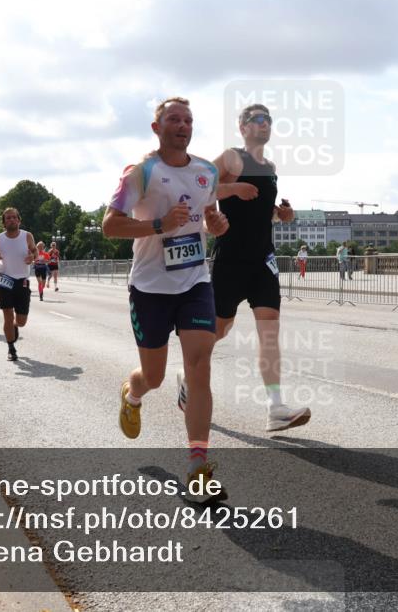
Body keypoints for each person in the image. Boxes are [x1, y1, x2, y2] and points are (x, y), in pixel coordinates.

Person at [102, 96, 230, 501]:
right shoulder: (142, 172)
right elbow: (109, 226)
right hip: (150, 288)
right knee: (153, 376)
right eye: (173, 119)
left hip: (195, 282)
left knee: (199, 363)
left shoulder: (206, 172)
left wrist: (218, 224)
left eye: (188, 119)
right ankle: (133, 393)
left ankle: (198, 467)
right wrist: (158, 224)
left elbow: (211, 218)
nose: (182, 124)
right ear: (157, 128)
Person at [180, 103, 309, 433]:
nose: (265, 124)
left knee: (269, 333)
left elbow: (261, 211)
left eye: (269, 120)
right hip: (230, 259)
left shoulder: (270, 165)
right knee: (219, 330)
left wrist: (283, 215)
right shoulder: (231, 158)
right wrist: (232, 188)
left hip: (263, 260)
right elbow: (194, 185)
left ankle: (276, 408)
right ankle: (188, 378)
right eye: (258, 119)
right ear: (243, 126)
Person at [0, 208, 37, 361]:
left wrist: (32, 256)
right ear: (4, 222)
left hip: (22, 281)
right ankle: (11, 348)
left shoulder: (27, 236)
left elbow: (35, 251)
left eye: (14, 217)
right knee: (7, 315)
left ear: (19, 220)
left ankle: (15, 325)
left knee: (21, 321)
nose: (11, 220)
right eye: (8, 218)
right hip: (5, 281)